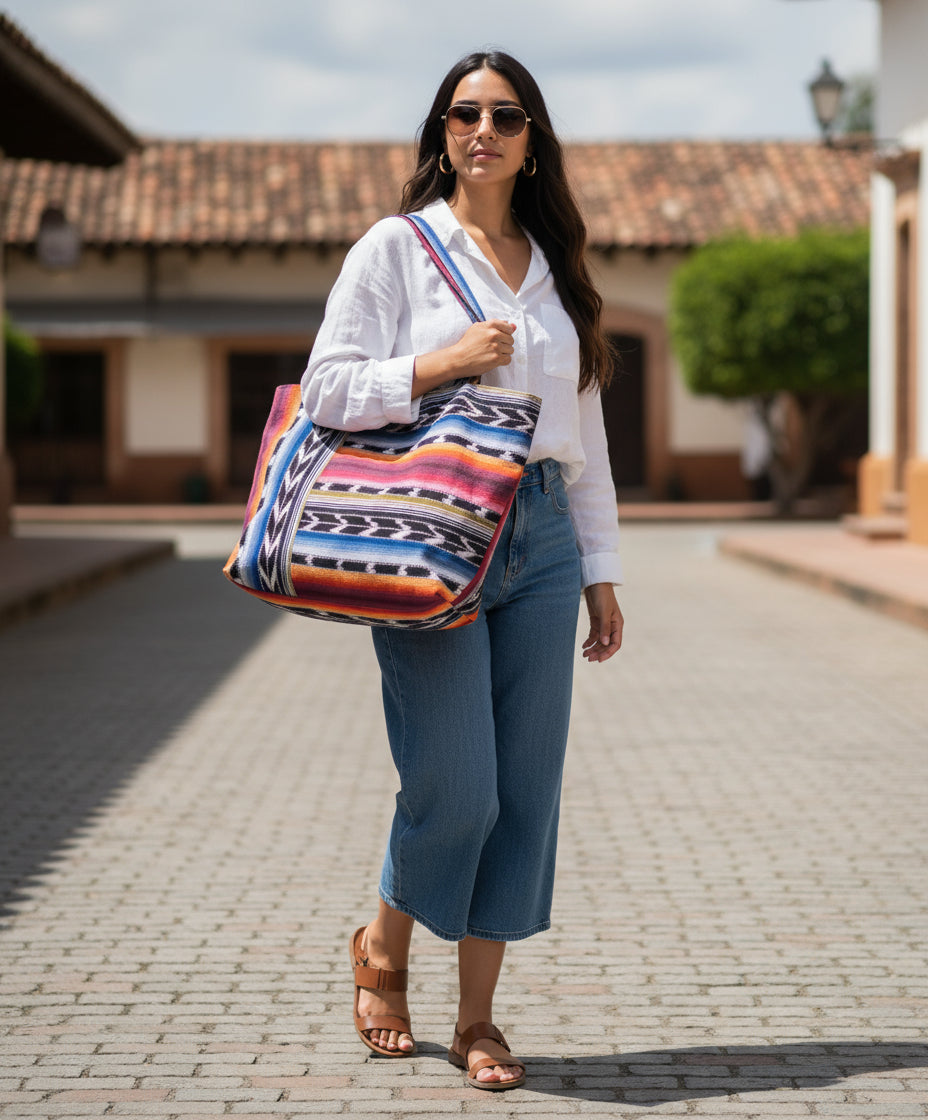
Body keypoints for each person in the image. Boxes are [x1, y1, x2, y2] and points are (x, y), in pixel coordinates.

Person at [301, 49, 624, 1092]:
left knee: (523, 792)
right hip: (432, 536)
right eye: (462, 113)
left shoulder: (555, 265)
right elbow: (327, 391)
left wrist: (599, 568)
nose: (482, 129)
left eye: (506, 115)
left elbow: (586, 429)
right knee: (459, 787)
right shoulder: (396, 249)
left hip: (542, 534)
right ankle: (382, 941)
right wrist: (441, 362)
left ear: (533, 142)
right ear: (440, 133)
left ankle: (477, 1018)